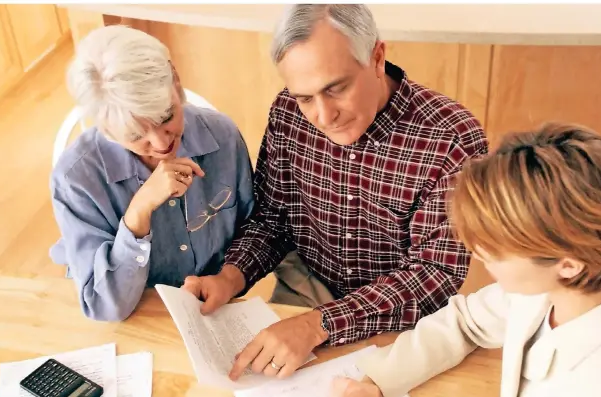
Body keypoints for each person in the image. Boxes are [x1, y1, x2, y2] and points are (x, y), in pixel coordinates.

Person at [182, 4, 488, 380]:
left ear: (377, 57)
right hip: (303, 293)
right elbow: (273, 219)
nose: (324, 117)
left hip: (401, 322)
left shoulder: (451, 140)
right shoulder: (287, 114)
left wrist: (318, 325)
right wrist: (230, 277)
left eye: (336, 88)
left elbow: (433, 276)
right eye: (305, 97)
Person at [331, 123, 601, 397]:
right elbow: (466, 322)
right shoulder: (560, 287)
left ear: (568, 264)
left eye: (494, 248)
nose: (477, 254)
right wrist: (378, 379)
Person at [49, 25, 254, 322]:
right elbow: (104, 308)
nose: (161, 143)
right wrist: (138, 215)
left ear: (177, 81)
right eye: (134, 134)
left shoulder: (222, 136)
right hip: (135, 318)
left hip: (214, 313)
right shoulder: (76, 179)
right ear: (105, 128)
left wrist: (229, 280)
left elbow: (254, 230)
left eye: (166, 116)